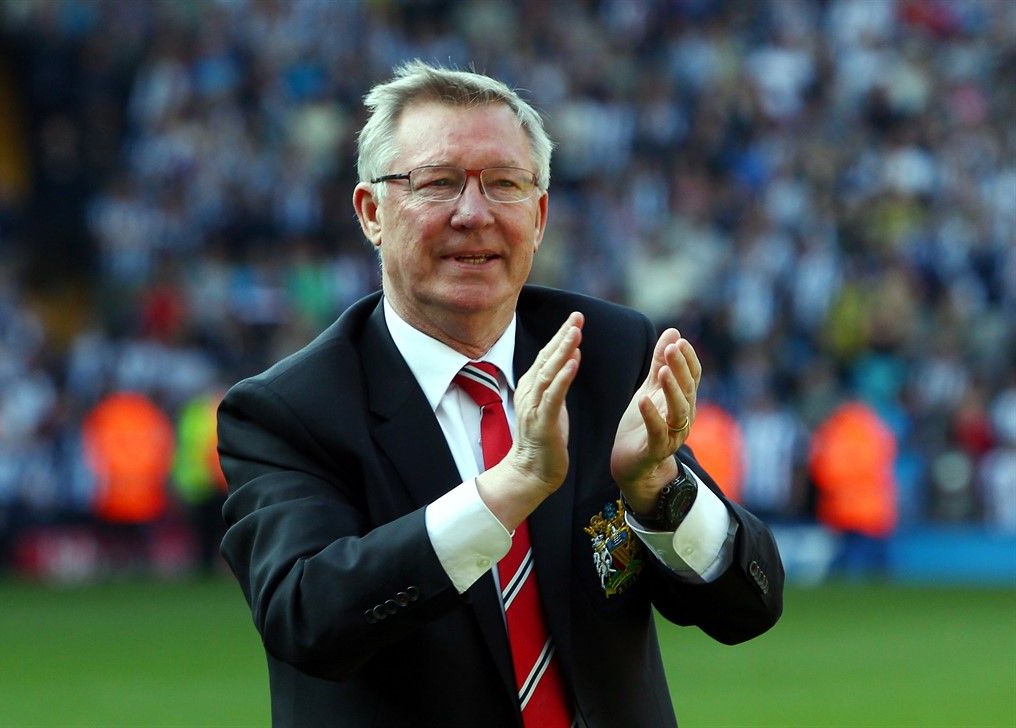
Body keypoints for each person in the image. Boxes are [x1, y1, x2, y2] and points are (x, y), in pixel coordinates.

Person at [218, 60, 783, 728]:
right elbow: (306, 617)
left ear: (538, 216)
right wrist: (512, 487)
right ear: (372, 213)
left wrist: (658, 492)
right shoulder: (290, 410)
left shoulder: (604, 352)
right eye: (438, 183)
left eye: (504, 184)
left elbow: (749, 606)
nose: (474, 213)